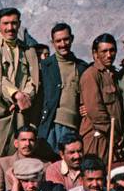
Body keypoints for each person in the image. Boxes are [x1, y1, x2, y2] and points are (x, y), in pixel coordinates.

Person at [0, 8, 40, 167]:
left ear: (19, 24)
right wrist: (15, 94)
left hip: (21, 116)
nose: (10, 28)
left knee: (19, 165)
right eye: (6, 23)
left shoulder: (28, 51)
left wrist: (25, 96)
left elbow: (34, 80)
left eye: (14, 23)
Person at [37, 22, 88, 151]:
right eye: (58, 41)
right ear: (52, 43)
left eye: (66, 39)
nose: (63, 44)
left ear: (72, 39)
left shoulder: (82, 67)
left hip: (74, 125)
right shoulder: (44, 67)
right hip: (50, 125)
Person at [79, 34, 124, 162]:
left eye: (112, 50)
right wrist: (114, 135)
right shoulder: (91, 75)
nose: (109, 55)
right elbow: (96, 112)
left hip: (112, 139)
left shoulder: (112, 75)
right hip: (98, 138)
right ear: (95, 54)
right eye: (104, 51)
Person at [0, 125, 46, 191]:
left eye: (31, 140)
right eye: (23, 140)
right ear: (16, 143)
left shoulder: (45, 165)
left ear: (36, 144)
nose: (27, 144)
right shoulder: (1, 164)